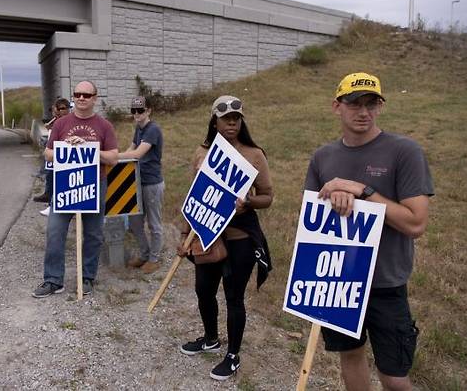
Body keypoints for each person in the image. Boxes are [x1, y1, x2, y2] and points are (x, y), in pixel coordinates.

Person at [304, 72, 433, 391]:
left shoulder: (405, 151)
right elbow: (310, 220)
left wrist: (363, 191)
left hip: (386, 281)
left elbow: (416, 223)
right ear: (337, 107)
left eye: (372, 104)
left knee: (394, 376)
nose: (364, 112)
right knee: (350, 356)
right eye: (354, 104)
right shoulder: (323, 157)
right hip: (339, 279)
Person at [178, 95, 273, 381]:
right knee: (203, 290)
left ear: (241, 121)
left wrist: (249, 202)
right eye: (226, 118)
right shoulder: (202, 152)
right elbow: (194, 195)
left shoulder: (254, 154)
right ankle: (210, 338)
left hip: (240, 237)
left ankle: (232, 355)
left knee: (234, 296)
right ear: (215, 121)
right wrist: (184, 234)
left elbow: (268, 196)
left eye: (236, 118)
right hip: (206, 233)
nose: (232, 122)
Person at [32, 81, 118, 298]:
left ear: (94, 98)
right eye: (78, 94)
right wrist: (66, 147)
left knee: (93, 234)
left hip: (94, 184)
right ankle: (53, 280)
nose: (81, 98)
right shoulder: (61, 124)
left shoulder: (104, 126)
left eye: (86, 95)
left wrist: (89, 150)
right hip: (65, 184)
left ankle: (87, 277)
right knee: (54, 231)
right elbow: (48, 154)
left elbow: (113, 158)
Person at [118, 96, 164, 274]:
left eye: (140, 110)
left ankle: (154, 258)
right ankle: (145, 254)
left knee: (154, 223)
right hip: (137, 181)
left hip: (152, 183)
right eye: (133, 111)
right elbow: (131, 149)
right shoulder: (139, 128)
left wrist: (111, 156)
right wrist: (118, 157)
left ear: (148, 110)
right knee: (135, 221)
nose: (136, 114)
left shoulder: (153, 129)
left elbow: (137, 154)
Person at [34, 98, 70, 217]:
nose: (58, 112)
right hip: (53, 155)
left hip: (63, 156)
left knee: (58, 180)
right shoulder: (57, 121)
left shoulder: (67, 121)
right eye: (56, 109)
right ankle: (51, 202)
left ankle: (54, 204)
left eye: (62, 109)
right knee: (51, 178)